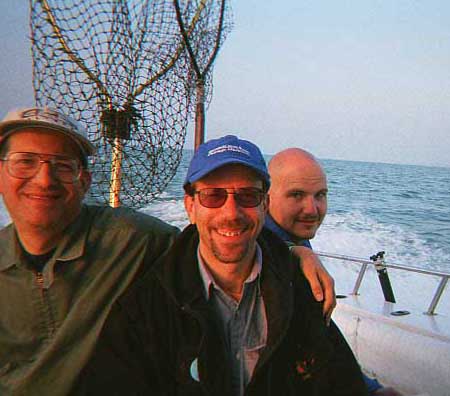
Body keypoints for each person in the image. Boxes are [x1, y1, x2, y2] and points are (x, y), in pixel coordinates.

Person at [0, 108, 333, 395]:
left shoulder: (131, 238)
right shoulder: (145, 303)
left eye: (62, 166)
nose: (44, 180)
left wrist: (292, 251)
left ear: (85, 180)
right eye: (24, 162)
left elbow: (214, 242)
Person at [81, 135, 367, 395]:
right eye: (213, 196)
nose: (231, 212)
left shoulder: (298, 289)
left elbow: (338, 379)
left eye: (247, 196)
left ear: (264, 206)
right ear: (190, 206)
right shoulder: (145, 307)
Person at [267, 147, 403, 396]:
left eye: (320, 195)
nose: (312, 209)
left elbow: (321, 340)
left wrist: (369, 388)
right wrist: (291, 252)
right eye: (296, 195)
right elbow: (258, 247)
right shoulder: (265, 248)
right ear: (266, 198)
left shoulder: (295, 234)